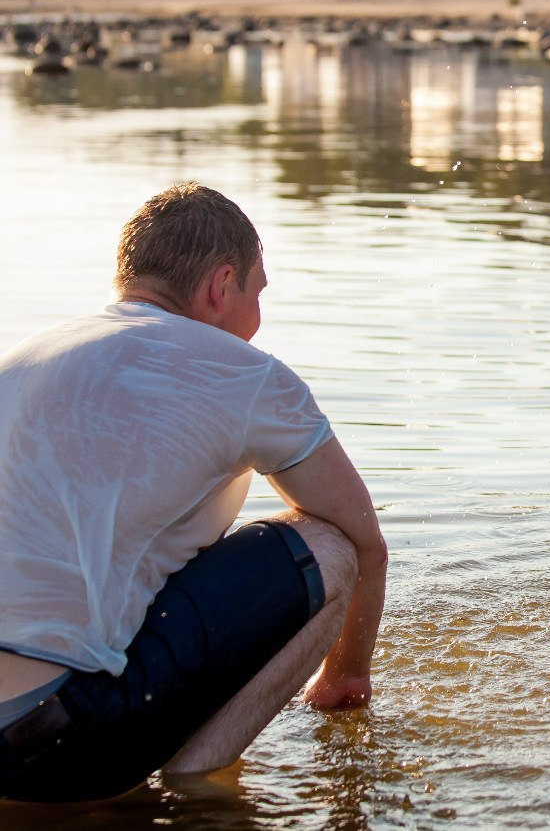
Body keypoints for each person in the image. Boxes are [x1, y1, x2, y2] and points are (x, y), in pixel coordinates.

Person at [0, 182, 388, 802]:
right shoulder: (242, 372)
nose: (258, 320)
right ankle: (199, 788)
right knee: (330, 544)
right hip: (61, 743)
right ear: (220, 285)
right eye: (256, 294)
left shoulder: (21, 358)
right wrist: (344, 678)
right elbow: (366, 542)